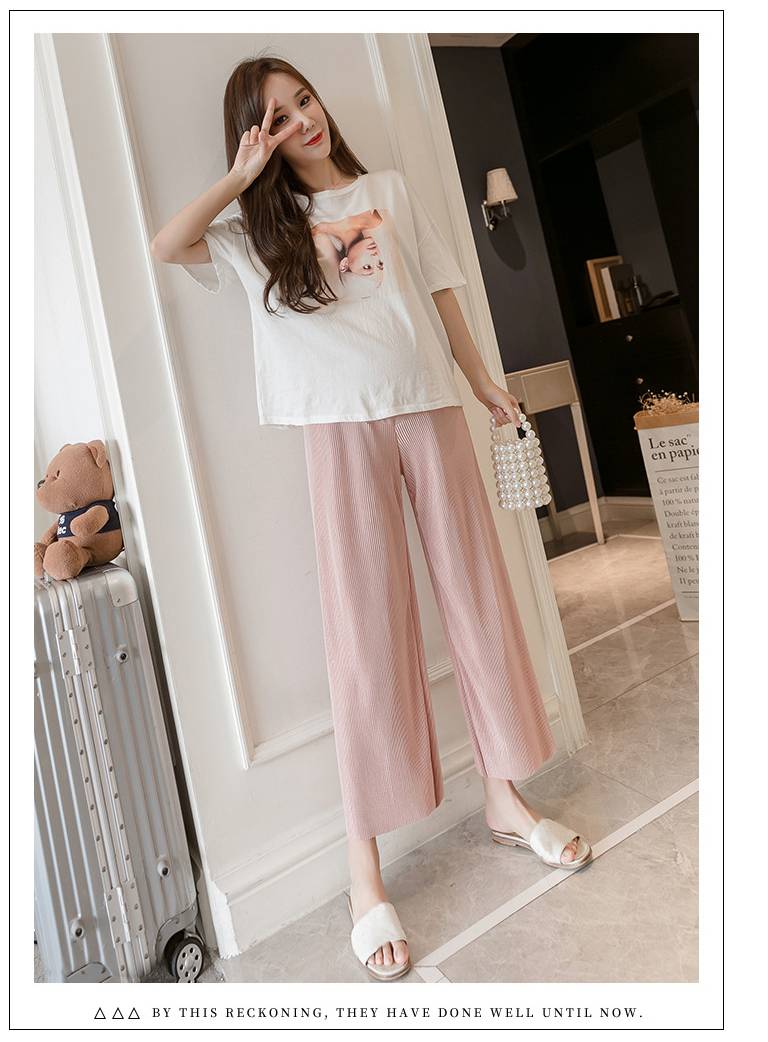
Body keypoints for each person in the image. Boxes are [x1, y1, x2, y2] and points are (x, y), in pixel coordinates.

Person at [151, 55, 591, 982]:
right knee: (365, 633)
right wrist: (242, 175)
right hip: (338, 430)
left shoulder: (386, 188)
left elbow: (439, 293)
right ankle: (364, 872)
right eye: (277, 117)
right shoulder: (257, 229)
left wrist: (482, 384)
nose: (302, 120)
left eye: (303, 100)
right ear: (258, 135)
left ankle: (505, 797)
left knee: (478, 598)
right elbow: (166, 245)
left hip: (428, 406)